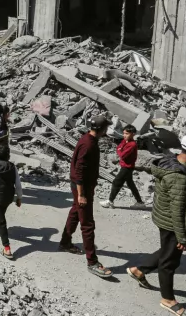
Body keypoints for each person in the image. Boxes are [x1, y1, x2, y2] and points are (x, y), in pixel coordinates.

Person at [126, 134, 186, 316]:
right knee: (169, 262)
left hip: (162, 216)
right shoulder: (179, 176)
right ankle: (167, 299)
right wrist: (182, 236)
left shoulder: (170, 161)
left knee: (168, 251)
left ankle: (138, 270)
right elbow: (178, 209)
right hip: (171, 223)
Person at [59, 115, 112, 277]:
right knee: (87, 224)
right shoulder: (88, 144)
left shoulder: (87, 139)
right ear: (102, 129)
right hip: (82, 188)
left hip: (82, 187)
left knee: (75, 211)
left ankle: (65, 242)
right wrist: (82, 194)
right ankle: (92, 262)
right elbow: (79, 170)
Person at [100, 126, 145, 209]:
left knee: (116, 182)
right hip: (125, 166)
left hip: (127, 167)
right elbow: (118, 148)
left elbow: (122, 155)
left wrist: (120, 150)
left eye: (127, 134)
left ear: (133, 134)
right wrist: (120, 149)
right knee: (130, 184)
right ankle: (140, 202)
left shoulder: (132, 144)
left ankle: (110, 201)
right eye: (124, 133)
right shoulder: (125, 141)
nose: (124, 135)